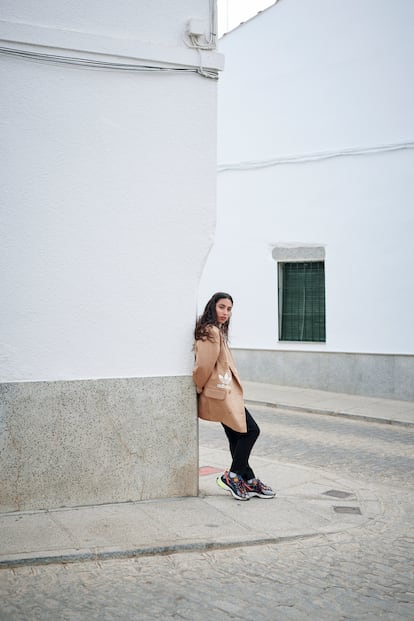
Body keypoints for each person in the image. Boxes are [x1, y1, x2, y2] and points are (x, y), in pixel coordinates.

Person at [193, 292, 275, 501]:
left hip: (225, 392)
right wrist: (199, 388)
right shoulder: (210, 331)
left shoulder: (217, 331)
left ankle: (248, 479)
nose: (225, 313)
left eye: (229, 309)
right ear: (212, 306)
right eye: (222, 307)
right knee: (251, 431)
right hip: (221, 394)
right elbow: (203, 365)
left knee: (237, 436)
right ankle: (233, 476)